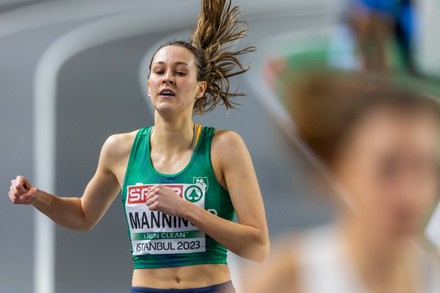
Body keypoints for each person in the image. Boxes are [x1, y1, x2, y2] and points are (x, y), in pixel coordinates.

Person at [8, 0, 269, 292]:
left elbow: (258, 247)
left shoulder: (223, 147)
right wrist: (37, 197)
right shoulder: (120, 149)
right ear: (149, 85)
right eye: (159, 71)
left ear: (199, 88)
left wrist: (188, 210)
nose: (168, 77)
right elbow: (83, 215)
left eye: (180, 72)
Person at [243, 70, 440, 293]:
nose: (410, 195)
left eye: (424, 166)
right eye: (388, 169)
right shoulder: (285, 282)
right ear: (337, 169)